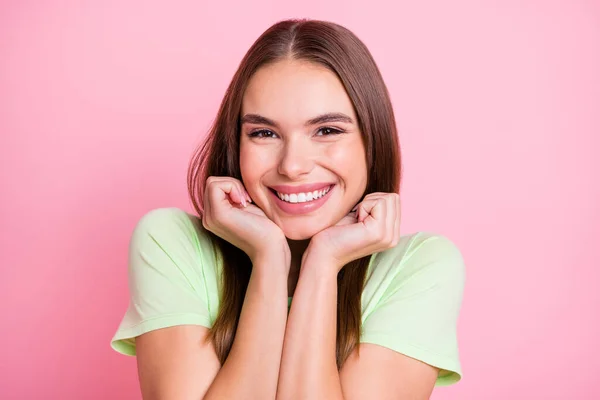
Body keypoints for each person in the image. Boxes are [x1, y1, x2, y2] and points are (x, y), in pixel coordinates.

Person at [110, 18, 465, 399]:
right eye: (264, 133)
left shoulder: (420, 265)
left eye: (327, 130)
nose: (292, 165)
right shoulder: (170, 242)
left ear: (371, 141)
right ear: (236, 144)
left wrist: (323, 263)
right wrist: (268, 259)